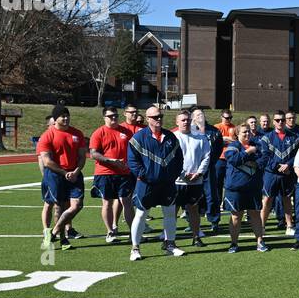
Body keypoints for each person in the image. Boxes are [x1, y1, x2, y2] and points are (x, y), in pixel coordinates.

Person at [127, 106, 185, 260]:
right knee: (140, 215)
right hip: (146, 184)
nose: (158, 119)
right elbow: (133, 162)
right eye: (155, 117)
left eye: (160, 116)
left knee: (170, 214)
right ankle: (135, 248)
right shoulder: (138, 138)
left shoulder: (171, 137)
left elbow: (179, 159)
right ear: (147, 119)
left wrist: (172, 176)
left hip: (167, 184)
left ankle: (170, 244)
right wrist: (146, 176)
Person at [36, 105, 88, 250]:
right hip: (56, 174)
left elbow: (82, 156)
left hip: (74, 174)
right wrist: (64, 173)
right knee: (58, 206)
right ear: (55, 118)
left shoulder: (77, 133)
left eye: (67, 115)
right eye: (62, 116)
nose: (65, 118)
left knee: (77, 205)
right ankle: (63, 240)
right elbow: (46, 160)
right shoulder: (47, 135)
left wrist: (76, 171)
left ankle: (54, 232)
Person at [88, 107, 134, 244]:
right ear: (104, 117)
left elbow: (134, 149)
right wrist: (110, 161)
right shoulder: (99, 133)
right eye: (110, 116)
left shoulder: (126, 132)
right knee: (107, 202)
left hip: (124, 173)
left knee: (127, 201)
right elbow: (93, 153)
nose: (114, 118)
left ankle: (134, 232)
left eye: (115, 115)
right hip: (105, 173)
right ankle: (110, 231)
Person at [222, 125, 268, 253]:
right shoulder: (233, 146)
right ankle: (234, 243)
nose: (247, 134)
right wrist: (248, 152)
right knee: (236, 216)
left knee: (255, 215)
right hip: (236, 188)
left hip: (253, 187)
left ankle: (260, 242)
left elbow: (264, 160)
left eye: (248, 131)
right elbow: (234, 160)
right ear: (237, 134)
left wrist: (249, 159)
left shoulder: (258, 145)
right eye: (244, 132)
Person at [173, 110, 212, 248]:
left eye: (188, 120)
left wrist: (199, 173)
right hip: (178, 181)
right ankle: (169, 240)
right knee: (173, 211)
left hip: (196, 181)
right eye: (182, 120)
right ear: (177, 122)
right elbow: (171, 159)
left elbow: (207, 156)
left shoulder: (201, 138)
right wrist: (183, 174)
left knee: (194, 210)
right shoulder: (173, 138)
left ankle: (196, 237)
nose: (186, 122)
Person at [196, 109, 225, 235]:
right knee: (195, 196)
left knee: (212, 195)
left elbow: (219, 148)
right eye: (197, 114)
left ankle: (214, 221)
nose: (200, 116)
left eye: (201, 114)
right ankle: (194, 223)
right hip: (194, 170)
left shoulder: (214, 131)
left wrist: (210, 162)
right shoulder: (190, 131)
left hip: (209, 168)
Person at [208, 109, 237, 233]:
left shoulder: (234, 128)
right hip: (219, 160)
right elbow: (217, 141)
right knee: (216, 189)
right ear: (221, 117)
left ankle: (236, 218)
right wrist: (225, 139)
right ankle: (215, 221)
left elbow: (235, 141)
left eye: (230, 118)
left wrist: (226, 139)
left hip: (231, 161)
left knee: (231, 187)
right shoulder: (217, 127)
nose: (228, 120)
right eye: (226, 118)